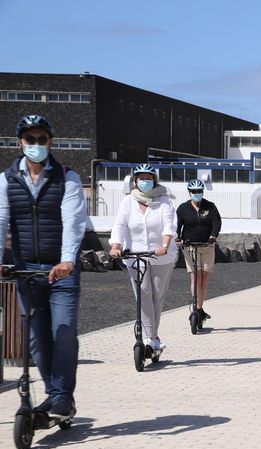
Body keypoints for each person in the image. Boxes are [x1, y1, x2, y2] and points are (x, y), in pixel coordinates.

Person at [0, 115, 88, 419]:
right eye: (29, 139)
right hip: (27, 270)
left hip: (61, 270)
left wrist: (67, 260)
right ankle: (55, 394)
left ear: (50, 142)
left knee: (62, 331)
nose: (35, 144)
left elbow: (73, 222)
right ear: (20, 143)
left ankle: (62, 396)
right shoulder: (7, 179)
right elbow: (1, 221)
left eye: (41, 139)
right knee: (36, 337)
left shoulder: (68, 177)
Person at [109, 164, 177, 354]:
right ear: (135, 181)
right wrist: (116, 246)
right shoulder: (128, 201)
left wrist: (164, 245)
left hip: (161, 256)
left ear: (154, 181)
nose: (144, 182)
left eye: (148, 178)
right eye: (141, 178)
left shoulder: (164, 200)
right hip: (135, 255)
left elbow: (169, 226)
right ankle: (149, 338)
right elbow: (120, 225)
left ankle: (153, 337)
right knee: (143, 293)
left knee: (157, 295)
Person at [175, 179, 221, 322]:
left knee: (204, 278)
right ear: (189, 192)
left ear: (202, 192)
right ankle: (195, 307)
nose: (197, 194)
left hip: (207, 245)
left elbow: (216, 223)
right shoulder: (183, 208)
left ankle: (200, 308)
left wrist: (213, 236)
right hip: (190, 246)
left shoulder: (210, 207)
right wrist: (178, 238)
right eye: (194, 192)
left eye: (199, 191)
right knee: (196, 277)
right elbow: (177, 225)